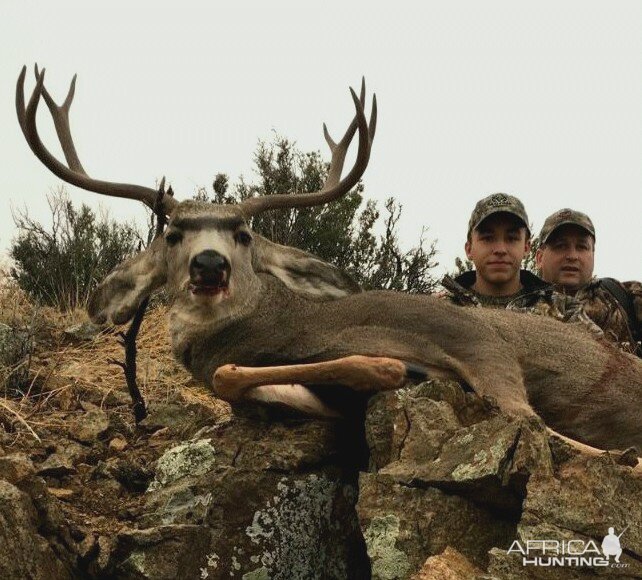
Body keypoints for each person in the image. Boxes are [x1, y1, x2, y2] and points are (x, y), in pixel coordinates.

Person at [441, 193, 589, 325]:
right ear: (469, 249)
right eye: (488, 238)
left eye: (511, 238)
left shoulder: (566, 311)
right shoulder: (441, 309)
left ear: (526, 248)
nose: (500, 249)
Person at [536, 208, 642, 355]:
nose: (572, 256)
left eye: (581, 247)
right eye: (561, 246)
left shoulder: (626, 296)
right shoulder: (519, 312)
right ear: (539, 258)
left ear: (593, 255)